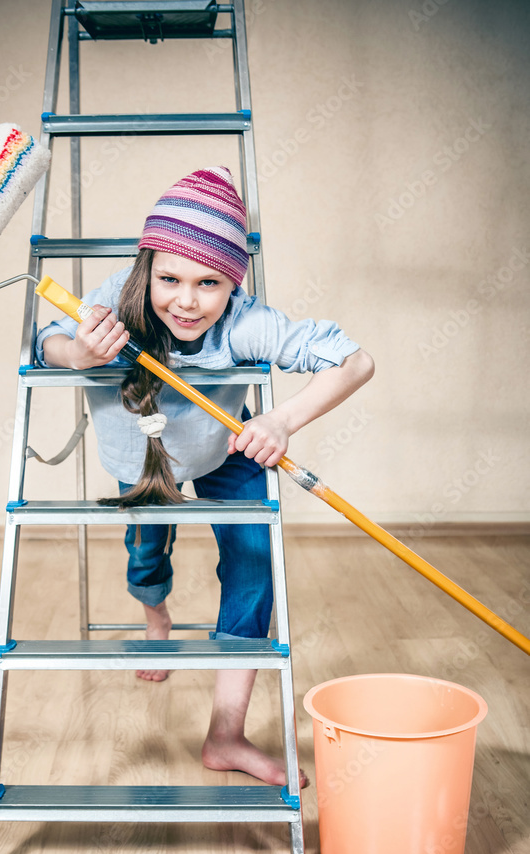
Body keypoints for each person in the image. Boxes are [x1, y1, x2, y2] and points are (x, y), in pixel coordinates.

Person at [36, 166, 374, 786]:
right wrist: (78, 353)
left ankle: (225, 735)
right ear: (146, 269)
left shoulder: (244, 321)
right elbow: (46, 342)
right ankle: (156, 618)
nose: (186, 301)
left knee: (254, 564)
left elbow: (356, 361)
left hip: (225, 448)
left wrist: (281, 419)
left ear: (232, 284)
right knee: (146, 556)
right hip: (141, 461)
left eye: (208, 283)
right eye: (169, 279)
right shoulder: (112, 299)